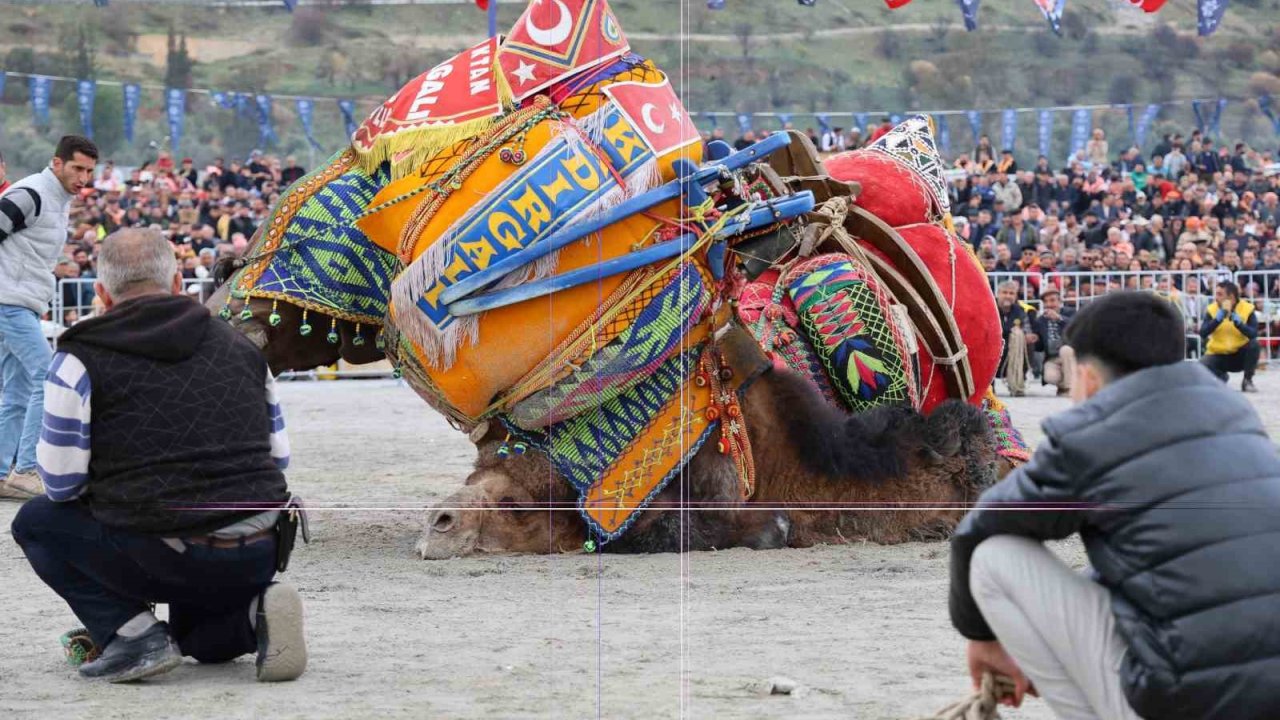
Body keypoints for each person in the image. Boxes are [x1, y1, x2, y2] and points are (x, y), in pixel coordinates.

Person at [948, 291, 1280, 720]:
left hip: (1185, 703)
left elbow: (978, 530)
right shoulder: (1236, 416)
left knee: (995, 557)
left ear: (1087, 377)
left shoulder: (1090, 435)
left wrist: (983, 639)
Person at [9, 228, 308, 683]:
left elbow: (60, 483)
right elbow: (278, 459)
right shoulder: (243, 347)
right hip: (257, 547)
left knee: (36, 522)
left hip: (160, 549)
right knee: (199, 644)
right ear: (175, 284)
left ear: (102, 294)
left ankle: (133, 634)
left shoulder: (78, 357)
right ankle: (254, 613)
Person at [0, 135, 98, 499]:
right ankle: (25, 470)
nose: (83, 177)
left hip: (19, 301)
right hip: (8, 301)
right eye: (77, 168)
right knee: (48, 376)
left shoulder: (58, 199)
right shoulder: (32, 194)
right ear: (57, 163)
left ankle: (2, 474)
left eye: (89, 171)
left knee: (18, 388)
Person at [1199, 280, 1260, 392]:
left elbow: (1254, 334)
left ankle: (1247, 381)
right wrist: (1216, 321)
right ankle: (1221, 377)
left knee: (1254, 345)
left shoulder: (1247, 308)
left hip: (1239, 355)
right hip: (1218, 354)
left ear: (1231, 297)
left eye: (1220, 294)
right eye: (1216, 293)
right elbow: (1203, 333)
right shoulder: (1211, 309)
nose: (1216, 297)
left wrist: (1240, 324)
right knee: (1202, 363)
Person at [1032, 286, 1074, 396]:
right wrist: (1034, 340)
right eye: (1046, 301)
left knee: (1066, 350)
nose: (1049, 304)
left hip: (1071, 355)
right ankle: (1063, 386)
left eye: (1052, 300)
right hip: (1052, 358)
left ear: (1060, 301)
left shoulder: (1070, 313)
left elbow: (1077, 326)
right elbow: (1040, 347)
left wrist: (1059, 318)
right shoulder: (1040, 320)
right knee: (1050, 377)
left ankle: (1070, 388)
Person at [995, 281, 1035, 397]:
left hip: (1013, 351)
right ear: (998, 294)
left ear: (1015, 296)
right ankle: (989, 386)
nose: (1008, 296)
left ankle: (1018, 383)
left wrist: (1028, 335)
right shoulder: (991, 307)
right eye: (1005, 293)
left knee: (1024, 340)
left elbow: (1027, 328)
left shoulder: (1020, 311)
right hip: (995, 348)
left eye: (1011, 293)